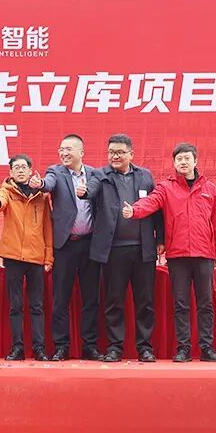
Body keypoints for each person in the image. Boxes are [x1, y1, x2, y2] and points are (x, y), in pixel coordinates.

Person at [123, 142, 216, 363]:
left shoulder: (209, 188)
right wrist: (134, 210)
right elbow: (150, 202)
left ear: (195, 161)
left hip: (204, 254)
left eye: (187, 158)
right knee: (181, 304)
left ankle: (207, 348)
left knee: (205, 304)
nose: (183, 162)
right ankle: (183, 348)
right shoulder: (165, 187)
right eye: (179, 159)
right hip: (177, 254)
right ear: (174, 163)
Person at [78, 134, 163, 362]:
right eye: (111, 152)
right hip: (113, 250)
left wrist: (160, 239)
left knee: (145, 301)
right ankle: (115, 347)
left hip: (143, 248)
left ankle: (145, 348)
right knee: (114, 301)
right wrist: (84, 192)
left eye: (119, 152)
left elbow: (156, 208)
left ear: (131, 154)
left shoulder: (145, 176)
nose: (115, 156)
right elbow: (91, 189)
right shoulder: (99, 175)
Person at [29, 134, 101, 361]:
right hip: (65, 245)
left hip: (90, 244)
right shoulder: (55, 172)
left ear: (81, 152)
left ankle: (90, 346)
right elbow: (48, 184)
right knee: (61, 298)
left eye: (68, 149)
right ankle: (62, 346)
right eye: (61, 149)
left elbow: (96, 192)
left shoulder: (94, 174)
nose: (64, 153)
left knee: (91, 298)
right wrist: (40, 184)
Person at [0, 154, 53, 361]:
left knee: (37, 306)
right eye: (16, 167)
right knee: (15, 306)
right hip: (13, 256)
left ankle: (39, 348)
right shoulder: (7, 190)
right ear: (11, 172)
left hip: (36, 256)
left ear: (30, 170)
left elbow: (47, 228)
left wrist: (49, 257)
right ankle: (17, 348)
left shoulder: (42, 195)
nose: (20, 170)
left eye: (23, 167)